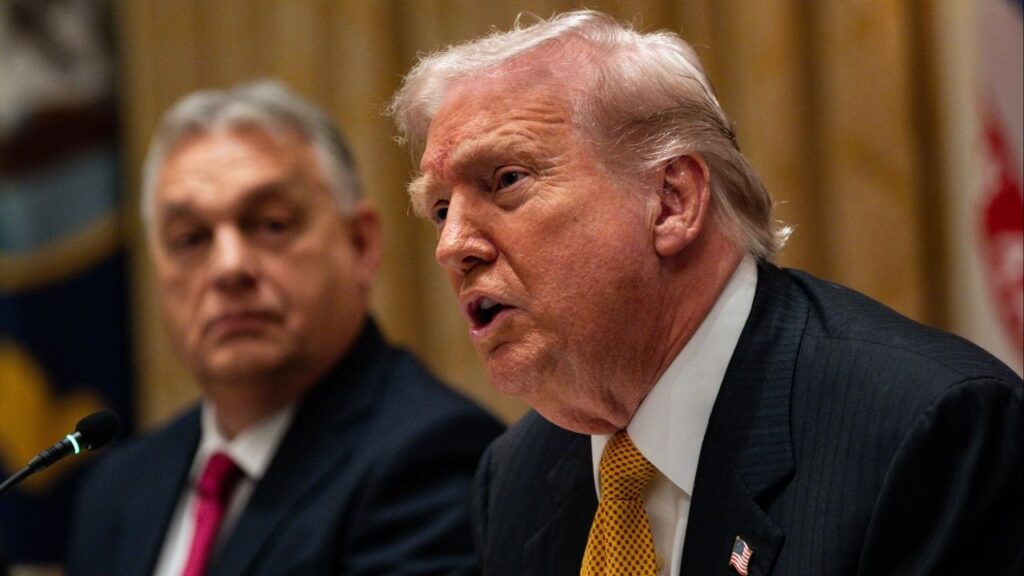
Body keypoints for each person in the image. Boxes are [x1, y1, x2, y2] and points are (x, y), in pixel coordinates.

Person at [389, 10, 1023, 576]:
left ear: (673, 201)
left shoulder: (928, 432)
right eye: (441, 210)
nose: (453, 246)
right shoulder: (514, 478)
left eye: (505, 180)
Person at [67, 80, 503, 576]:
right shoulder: (119, 486)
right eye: (190, 239)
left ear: (360, 244)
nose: (228, 268)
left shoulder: (430, 456)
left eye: (271, 224)